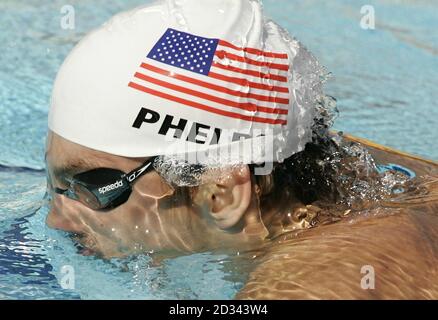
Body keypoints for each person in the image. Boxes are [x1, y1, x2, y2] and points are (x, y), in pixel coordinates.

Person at [46, 0, 438, 298]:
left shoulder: (307, 285)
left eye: (93, 186)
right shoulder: (389, 181)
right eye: (55, 184)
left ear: (223, 194)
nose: (55, 221)